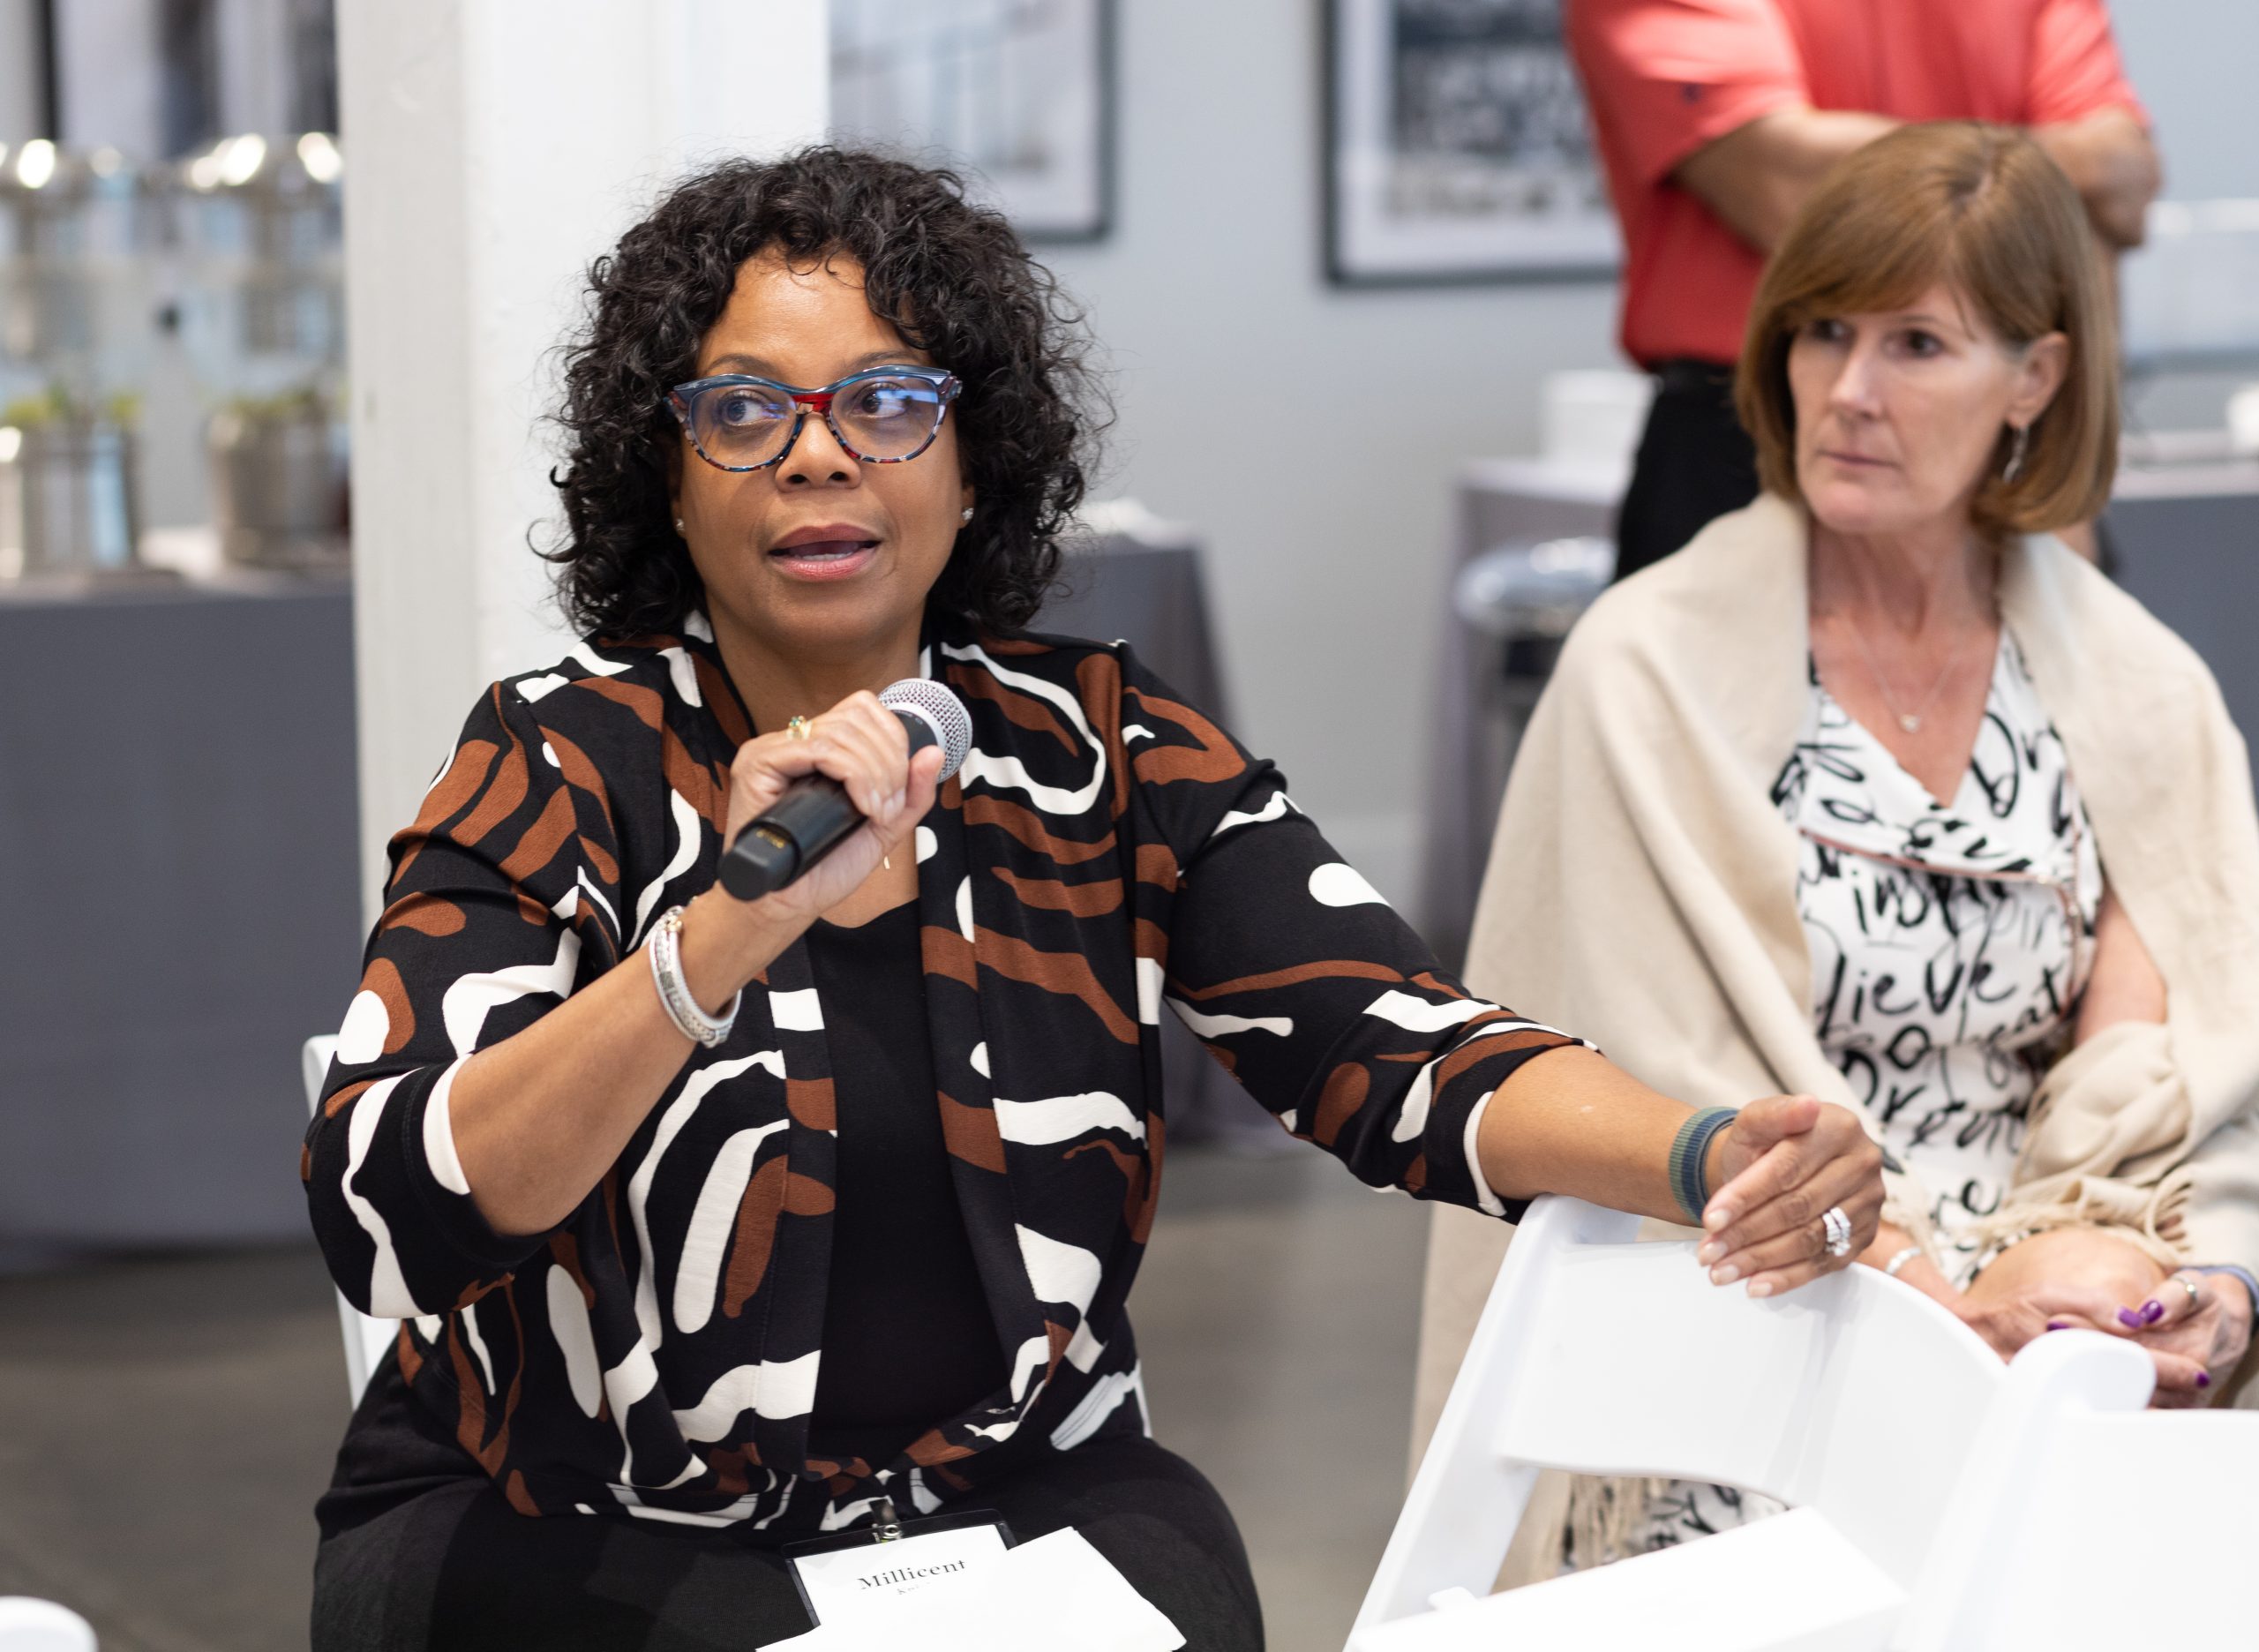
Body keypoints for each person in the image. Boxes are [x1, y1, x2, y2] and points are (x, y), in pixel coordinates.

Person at [301, 147, 1886, 1649]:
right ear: (670, 466)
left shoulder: (1101, 751)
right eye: (742, 410)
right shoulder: (559, 755)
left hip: (1006, 1486)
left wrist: (1703, 1152)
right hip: (581, 1508)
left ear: (975, 452)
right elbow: (385, 1203)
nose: (817, 451)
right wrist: (721, 933)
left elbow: (1401, 1045)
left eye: (888, 401)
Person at [1418, 122, 2259, 1574]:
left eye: (1918, 345)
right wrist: (1951, 1312)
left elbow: (2174, 1079)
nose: (1850, 392)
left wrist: (2177, 1283)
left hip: (2060, 1299)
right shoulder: (1648, 670)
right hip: (1753, 1309)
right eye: (1822, 334)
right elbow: (1655, 1103)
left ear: (2037, 379)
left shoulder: (2137, 687)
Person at [1565, 0, 2159, 581]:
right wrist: (2046, 170)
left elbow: (2117, 186)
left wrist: (2067, 481)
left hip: (1997, 430)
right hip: (1748, 435)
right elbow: (1784, 184)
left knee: (2054, 668)